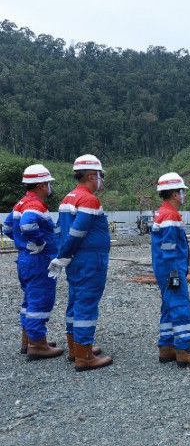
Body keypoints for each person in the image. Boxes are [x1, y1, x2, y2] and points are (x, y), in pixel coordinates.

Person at [48, 154, 112, 372]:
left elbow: (60, 230)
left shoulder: (67, 199)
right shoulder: (88, 200)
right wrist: (65, 253)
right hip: (89, 260)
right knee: (86, 304)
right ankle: (84, 356)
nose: (102, 181)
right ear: (92, 176)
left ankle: (75, 348)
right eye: (100, 176)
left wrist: (63, 255)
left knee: (75, 301)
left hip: (76, 260)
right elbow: (78, 232)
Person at [2, 164, 63, 360]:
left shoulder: (20, 203)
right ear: (41, 185)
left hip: (26, 259)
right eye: (48, 183)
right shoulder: (35, 205)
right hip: (39, 260)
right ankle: (37, 345)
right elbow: (28, 224)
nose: (50, 187)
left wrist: (22, 243)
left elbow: (7, 227)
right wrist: (39, 241)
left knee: (29, 301)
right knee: (41, 300)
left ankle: (28, 340)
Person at [151, 172, 190, 368]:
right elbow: (169, 250)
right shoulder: (170, 215)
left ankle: (166, 347)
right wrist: (176, 273)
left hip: (166, 269)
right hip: (171, 270)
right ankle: (184, 350)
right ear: (175, 194)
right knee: (180, 305)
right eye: (182, 192)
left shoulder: (164, 212)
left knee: (168, 306)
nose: (184, 195)